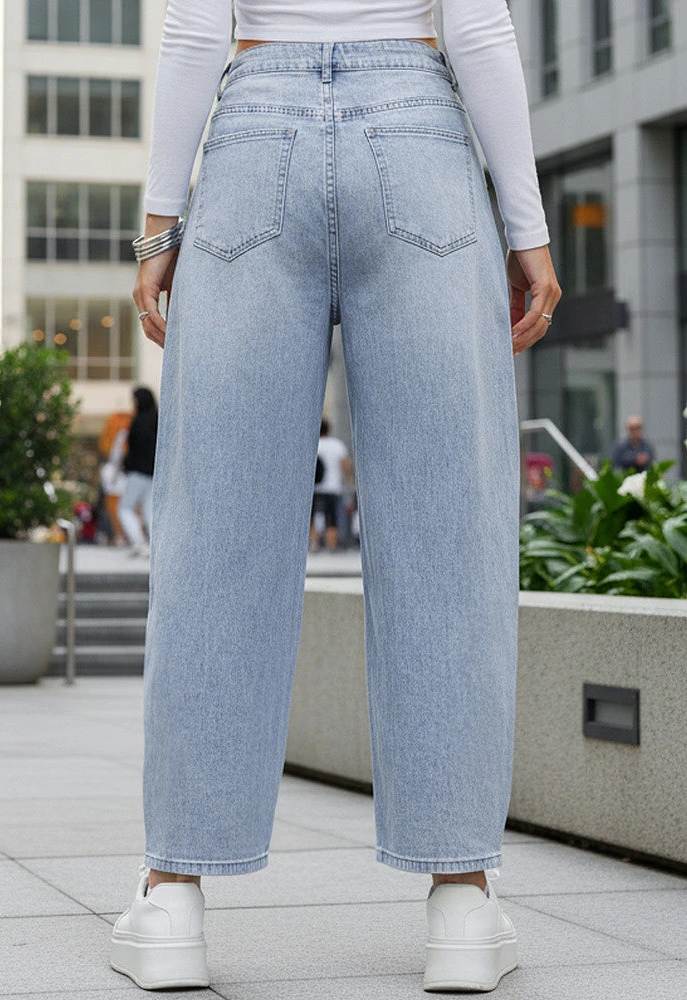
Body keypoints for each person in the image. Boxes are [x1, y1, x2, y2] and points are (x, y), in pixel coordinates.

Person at [112, 0, 562, 993]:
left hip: (253, 130)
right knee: (448, 534)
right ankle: (461, 899)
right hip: (419, 130)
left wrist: (158, 224)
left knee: (215, 535)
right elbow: (479, 26)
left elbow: (195, 26)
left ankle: (173, 895)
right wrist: (526, 226)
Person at [118, 387, 158, 559]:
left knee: (125, 509)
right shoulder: (157, 419)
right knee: (149, 510)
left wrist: (125, 465)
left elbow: (131, 449)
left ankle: (139, 543)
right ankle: (154, 545)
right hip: (153, 473)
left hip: (137, 473)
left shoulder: (138, 421)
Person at [310, 417, 354, 551]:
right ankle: (332, 545)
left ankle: (314, 543)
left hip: (314, 488)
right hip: (332, 487)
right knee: (331, 517)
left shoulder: (313, 444)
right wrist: (350, 480)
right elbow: (344, 466)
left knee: (311, 517)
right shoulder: (337, 445)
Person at [98, 411, 132, 546]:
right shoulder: (123, 435)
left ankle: (120, 536)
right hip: (118, 475)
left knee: (116, 508)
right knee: (119, 508)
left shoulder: (116, 436)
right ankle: (121, 536)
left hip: (116, 475)